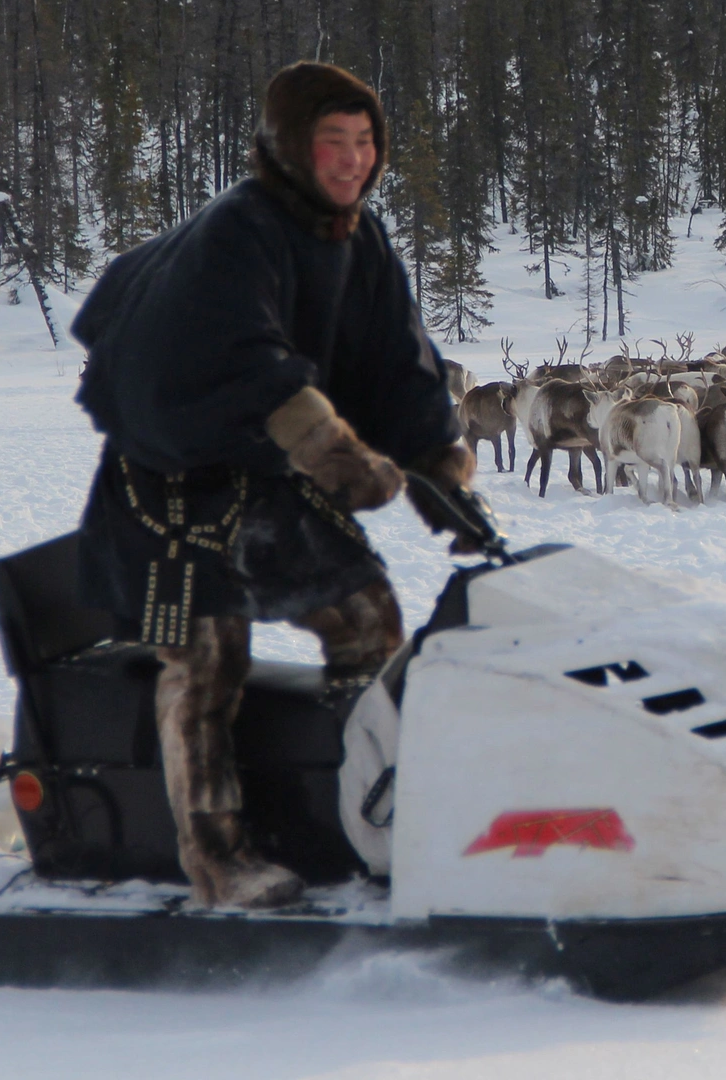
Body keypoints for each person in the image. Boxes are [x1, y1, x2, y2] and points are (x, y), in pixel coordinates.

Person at [70, 61, 480, 909]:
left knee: (367, 614)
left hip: (264, 490)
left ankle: (365, 817)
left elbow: (395, 363)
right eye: (333, 142)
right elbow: (239, 357)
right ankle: (218, 860)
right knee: (207, 657)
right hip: (170, 496)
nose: (352, 160)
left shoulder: (355, 239)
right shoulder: (237, 233)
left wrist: (440, 470)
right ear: (290, 146)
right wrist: (330, 450)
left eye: (366, 142)